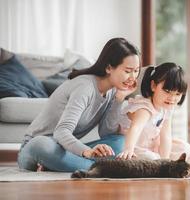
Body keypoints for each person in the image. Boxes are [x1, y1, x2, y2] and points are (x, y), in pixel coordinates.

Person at [18, 38, 141, 172]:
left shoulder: (113, 90)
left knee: (121, 142)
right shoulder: (85, 87)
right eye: (128, 71)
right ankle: (103, 168)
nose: (133, 77)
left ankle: (62, 165)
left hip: (65, 150)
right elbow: (61, 132)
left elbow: (106, 132)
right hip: (36, 149)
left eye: (136, 71)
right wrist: (87, 152)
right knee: (40, 144)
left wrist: (119, 99)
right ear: (109, 68)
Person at [116, 62, 190, 168]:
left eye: (177, 94)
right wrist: (128, 149)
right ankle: (161, 164)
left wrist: (166, 159)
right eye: (167, 91)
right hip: (132, 145)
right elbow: (135, 128)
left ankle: (167, 165)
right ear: (153, 86)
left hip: (152, 145)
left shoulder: (167, 109)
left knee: (186, 149)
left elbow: (166, 136)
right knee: (153, 159)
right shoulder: (144, 107)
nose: (172, 98)